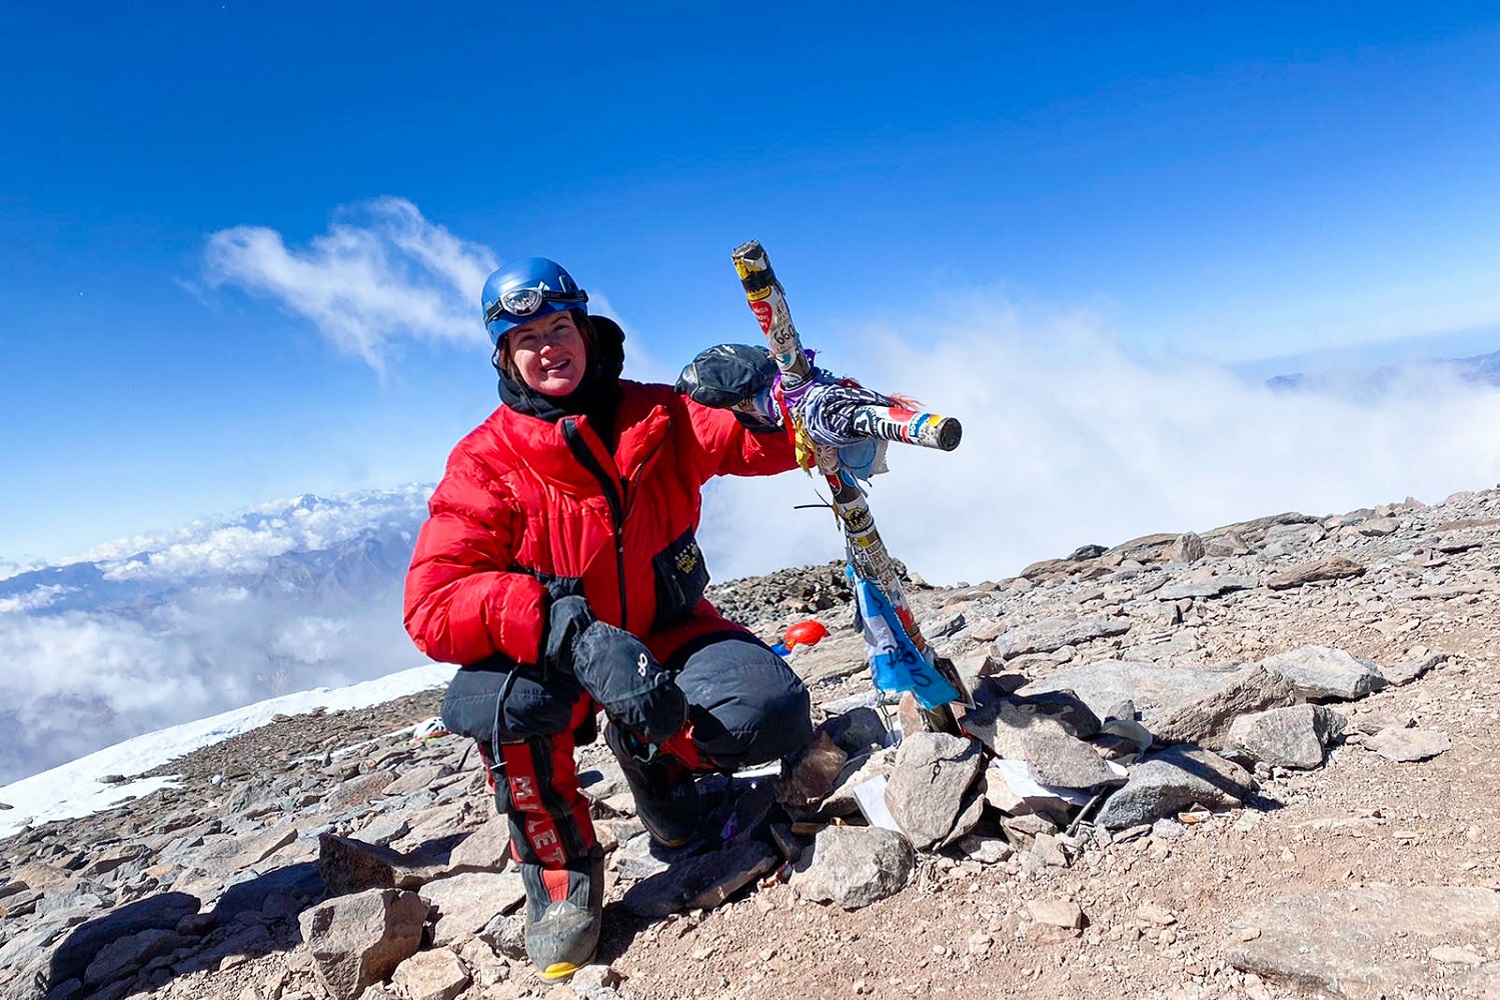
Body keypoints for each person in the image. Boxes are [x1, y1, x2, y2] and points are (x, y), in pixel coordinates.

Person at [402, 258, 815, 981]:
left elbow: (770, 445)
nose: (548, 347)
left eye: (559, 327)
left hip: (661, 630)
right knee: (502, 705)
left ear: (586, 331)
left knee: (769, 710)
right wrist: (571, 633)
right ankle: (561, 879)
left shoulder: (655, 415)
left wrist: (771, 397)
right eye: (526, 338)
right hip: (555, 655)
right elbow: (433, 603)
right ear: (504, 356)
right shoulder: (485, 461)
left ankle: (657, 769)